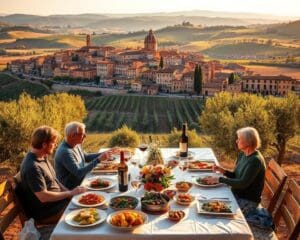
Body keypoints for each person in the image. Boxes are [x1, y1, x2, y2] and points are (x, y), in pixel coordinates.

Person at [18, 126, 86, 224]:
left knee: (89, 203)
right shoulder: (32, 167)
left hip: (59, 204)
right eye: (53, 143)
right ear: (45, 144)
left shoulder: (42, 157)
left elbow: (55, 180)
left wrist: (70, 193)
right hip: (48, 213)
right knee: (87, 214)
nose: (55, 145)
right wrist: (70, 193)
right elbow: (44, 197)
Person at [208, 127, 266, 216]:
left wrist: (220, 179)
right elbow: (236, 175)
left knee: (213, 211)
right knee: (210, 198)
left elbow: (242, 183)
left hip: (247, 201)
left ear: (248, 142)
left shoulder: (255, 160)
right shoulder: (243, 154)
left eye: (239, 139)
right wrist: (223, 171)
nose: (236, 141)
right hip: (236, 194)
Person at [54, 121, 115, 189]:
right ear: (73, 136)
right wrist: (98, 159)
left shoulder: (76, 144)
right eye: (82, 134)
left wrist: (105, 153)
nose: (85, 136)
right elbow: (79, 173)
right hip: (71, 188)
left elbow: (86, 157)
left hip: (82, 181)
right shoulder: (65, 152)